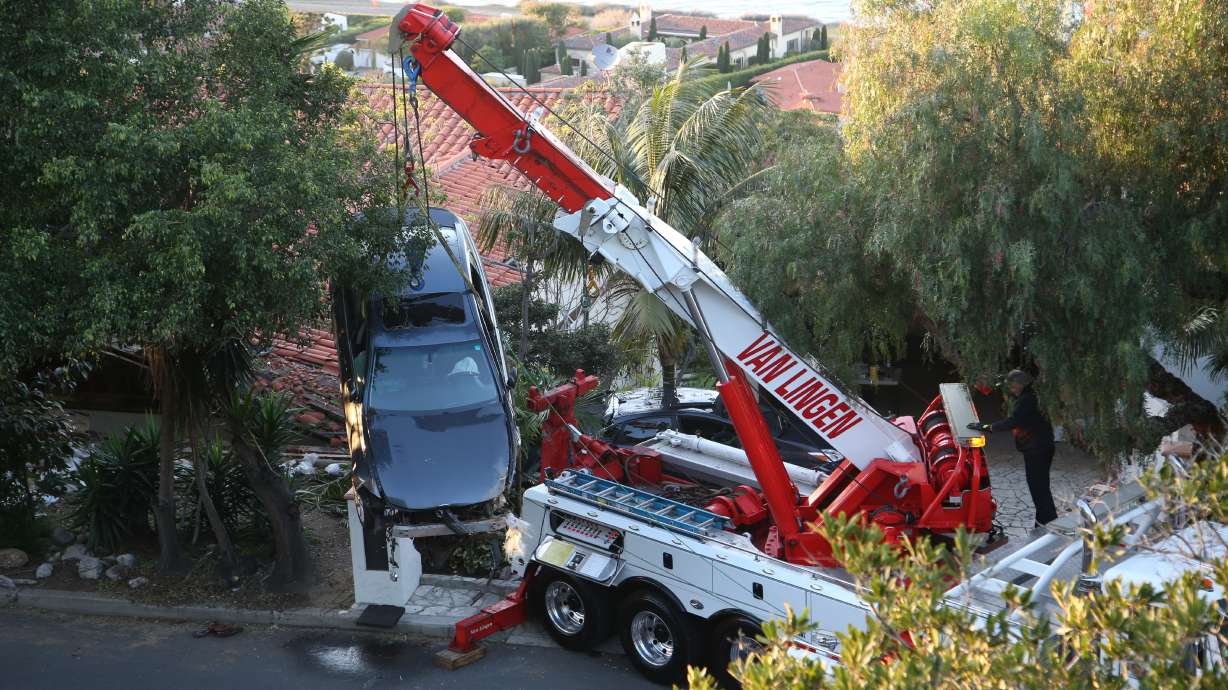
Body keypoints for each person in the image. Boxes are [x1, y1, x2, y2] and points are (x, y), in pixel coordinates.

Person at [969, 370, 1057, 527]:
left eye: (1012, 386)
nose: (1011, 390)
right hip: (1042, 447)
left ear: (1019, 384)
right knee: (1041, 487)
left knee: (1038, 488)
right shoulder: (1032, 394)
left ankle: (1047, 522)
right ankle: (1043, 520)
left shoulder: (1026, 400)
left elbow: (1012, 422)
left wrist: (986, 427)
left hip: (1036, 449)